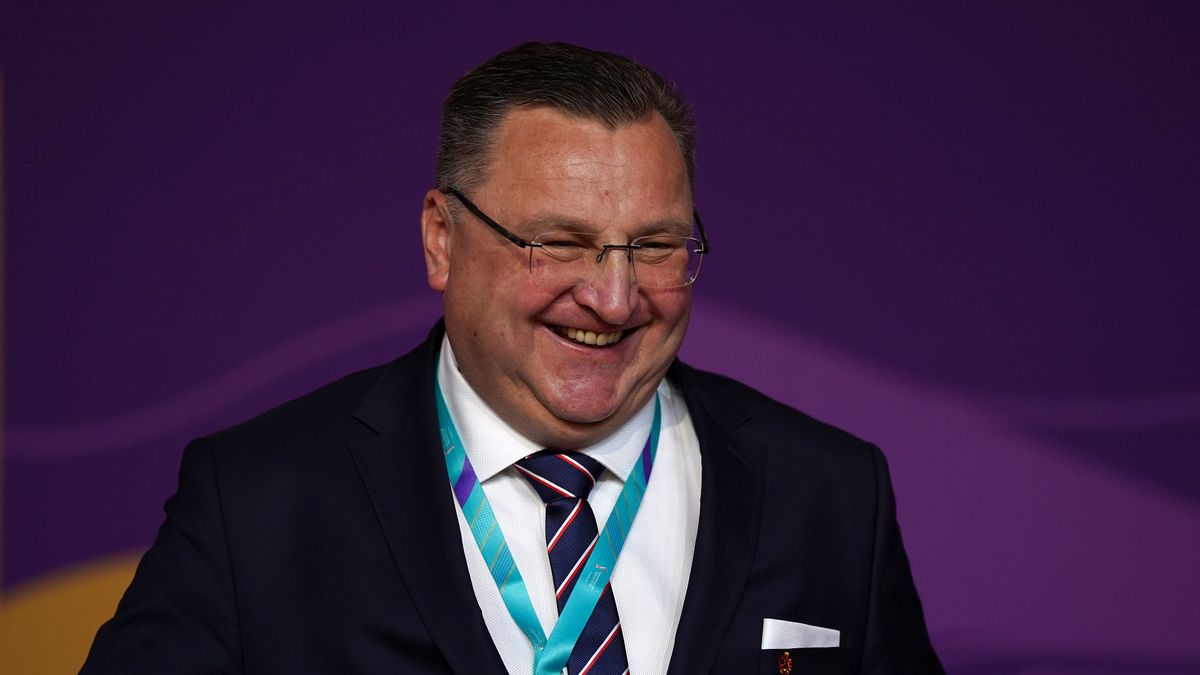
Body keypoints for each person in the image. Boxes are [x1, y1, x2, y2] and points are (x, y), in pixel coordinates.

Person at [81, 41, 943, 674]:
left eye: (654, 245)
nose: (613, 298)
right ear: (442, 240)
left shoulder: (830, 493)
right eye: (560, 243)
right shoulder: (260, 503)